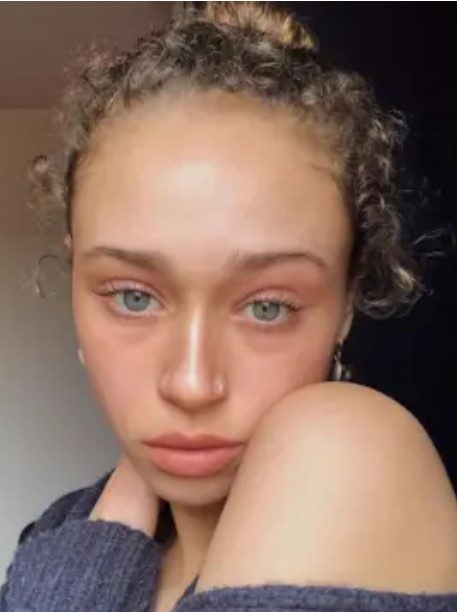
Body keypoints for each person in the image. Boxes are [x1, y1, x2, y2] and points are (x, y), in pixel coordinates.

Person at [2, 2, 457, 611]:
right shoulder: (62, 522)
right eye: (134, 297)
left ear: (346, 305)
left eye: (267, 307)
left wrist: (80, 569)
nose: (191, 385)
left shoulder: (350, 454)